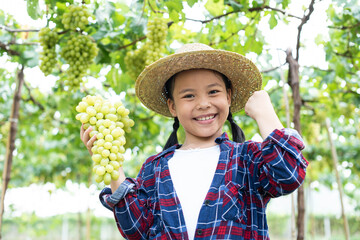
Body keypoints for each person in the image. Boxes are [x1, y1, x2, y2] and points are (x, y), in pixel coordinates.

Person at [80, 43, 308, 240]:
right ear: (172, 106)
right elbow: (135, 229)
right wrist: (112, 165)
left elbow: (287, 175)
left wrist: (265, 115)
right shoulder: (154, 168)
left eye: (213, 92)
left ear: (228, 97)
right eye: (189, 95)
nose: (203, 103)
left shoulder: (247, 158)